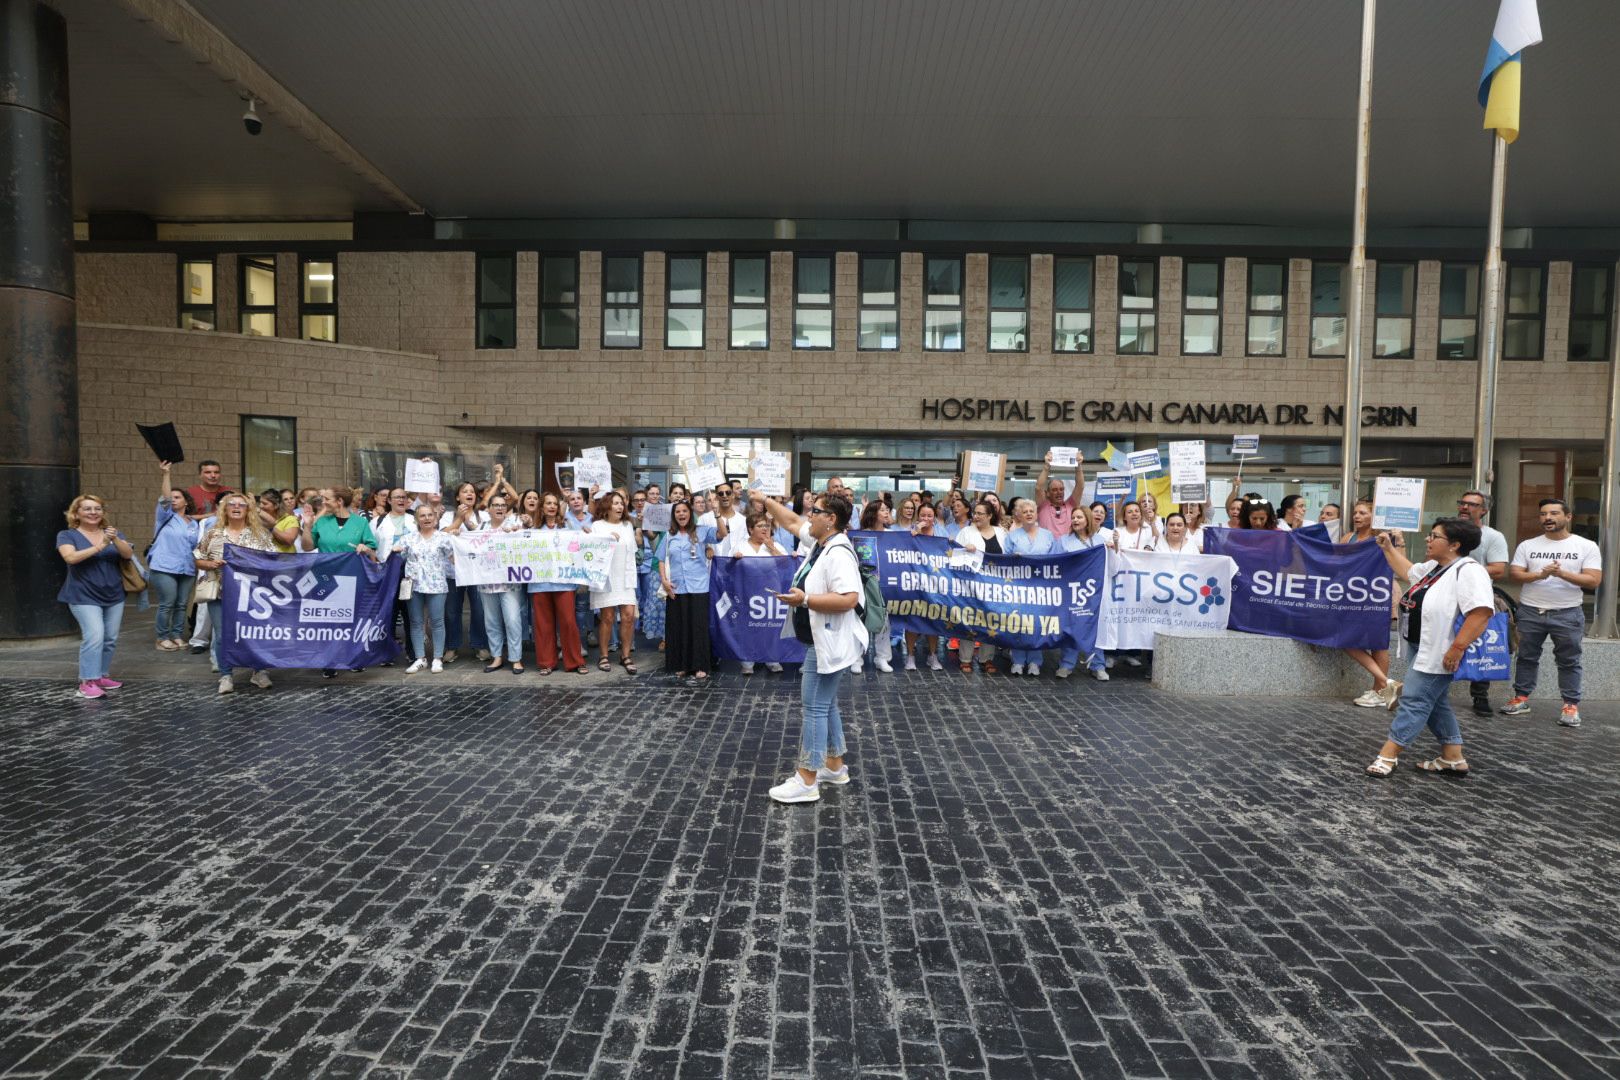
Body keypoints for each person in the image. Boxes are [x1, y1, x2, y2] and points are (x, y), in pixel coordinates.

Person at [759, 492, 868, 804]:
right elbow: (792, 522)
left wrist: (804, 599)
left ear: (830, 519)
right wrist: (766, 502)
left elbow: (847, 598)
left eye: (815, 511)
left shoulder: (838, 554)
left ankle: (807, 778)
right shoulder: (821, 544)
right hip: (820, 640)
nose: (809, 514)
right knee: (826, 704)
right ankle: (834, 766)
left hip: (829, 643)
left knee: (815, 707)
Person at [1365, 520, 1494, 777]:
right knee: (1435, 702)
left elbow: (1480, 613)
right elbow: (1409, 571)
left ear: (1455, 545)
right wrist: (1389, 548)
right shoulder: (1437, 568)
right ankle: (1453, 757)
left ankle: (1388, 756)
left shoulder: (1469, 571)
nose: (1428, 539)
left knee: (1414, 699)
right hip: (1420, 645)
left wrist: (1457, 649)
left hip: (1442, 651)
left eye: (1435, 536)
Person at [1500, 498, 1604, 727]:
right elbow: (1516, 574)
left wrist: (1561, 574)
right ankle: (1521, 698)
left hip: (1567, 613)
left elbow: (1594, 580)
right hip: (1530, 611)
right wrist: (1539, 575)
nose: (1548, 518)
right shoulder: (1528, 545)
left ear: (1568, 517)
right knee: (1526, 656)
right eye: (1544, 514)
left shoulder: (1586, 546)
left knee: (1569, 661)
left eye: (1554, 513)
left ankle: (1570, 706)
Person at [193, 492, 276, 695]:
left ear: (248, 510)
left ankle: (258, 672)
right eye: (232, 504)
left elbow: (273, 559)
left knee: (254, 633)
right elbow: (197, 558)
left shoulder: (260, 534)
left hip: (251, 595)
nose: (237, 507)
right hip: (220, 593)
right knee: (222, 636)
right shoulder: (213, 534)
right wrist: (211, 564)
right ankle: (226, 675)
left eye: (242, 504)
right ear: (225, 509)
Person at [57, 494, 135, 699]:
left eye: (97, 509)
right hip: (83, 594)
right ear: (76, 513)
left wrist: (115, 539)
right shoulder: (67, 535)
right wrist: (101, 545)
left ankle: (100, 675)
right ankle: (87, 682)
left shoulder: (112, 533)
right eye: (87, 509)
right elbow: (70, 558)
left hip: (114, 593)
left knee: (109, 638)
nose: (93, 513)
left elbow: (127, 555)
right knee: (94, 636)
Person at [302, 487, 380, 678]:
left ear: (339, 501)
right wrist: (307, 526)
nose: (323, 502)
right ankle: (329, 659)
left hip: (352, 577)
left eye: (326, 499)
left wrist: (365, 548)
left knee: (351, 619)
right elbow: (307, 546)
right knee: (327, 620)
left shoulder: (360, 523)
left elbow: (372, 549)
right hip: (324, 577)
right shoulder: (321, 522)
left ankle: (353, 657)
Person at [1338, 499, 1397, 708]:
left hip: (1378, 594)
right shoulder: (1348, 537)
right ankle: (1386, 684)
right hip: (1353, 594)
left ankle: (1379, 690)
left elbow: (1399, 564)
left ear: (1374, 517)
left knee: (1378, 643)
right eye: (1355, 512)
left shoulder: (1382, 539)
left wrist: (1400, 542)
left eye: (1362, 513)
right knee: (1345, 638)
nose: (1357, 516)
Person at [660, 501, 720, 685]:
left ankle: (701, 665)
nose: (681, 514)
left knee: (698, 627)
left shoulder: (702, 531)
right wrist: (664, 580)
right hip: (677, 587)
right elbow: (661, 559)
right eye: (677, 511)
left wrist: (717, 515)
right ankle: (683, 664)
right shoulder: (669, 536)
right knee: (680, 627)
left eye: (684, 510)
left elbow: (721, 535)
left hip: (699, 586)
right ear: (674, 515)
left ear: (690, 513)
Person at [148, 462, 203, 651]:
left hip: (187, 567)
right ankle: (162, 637)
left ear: (186, 502)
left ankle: (177, 635)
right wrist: (166, 475)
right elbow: (164, 497)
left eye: (177, 497)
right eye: (171, 497)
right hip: (164, 566)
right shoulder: (166, 516)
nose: (173, 499)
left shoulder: (194, 524)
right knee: (167, 603)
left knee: (181, 604)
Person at [472, 493, 526, 674]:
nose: (499, 508)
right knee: (491, 621)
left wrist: (517, 534)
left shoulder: (514, 526)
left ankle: (516, 658)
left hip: (509, 582)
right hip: (487, 582)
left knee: (512, 619)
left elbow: (525, 545)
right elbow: (470, 547)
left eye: (503, 505)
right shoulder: (481, 527)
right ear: (488, 509)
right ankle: (497, 657)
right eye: (495, 505)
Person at [1004, 497, 1058, 676]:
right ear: (1018, 514)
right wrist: (1013, 559)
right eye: (1024, 511)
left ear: (1036, 514)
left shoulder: (1048, 535)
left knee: (1037, 624)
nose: (1028, 514)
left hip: (1041, 588)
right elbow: (1004, 560)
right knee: (1019, 623)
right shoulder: (1012, 536)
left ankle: (1035, 661)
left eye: (1031, 511)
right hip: (1019, 587)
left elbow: (1056, 560)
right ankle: (1018, 661)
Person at [731, 512, 790, 675]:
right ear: (750, 529)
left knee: (770, 626)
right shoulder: (740, 546)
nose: (765, 529)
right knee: (748, 626)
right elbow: (728, 568)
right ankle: (747, 661)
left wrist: (772, 548)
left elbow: (786, 564)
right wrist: (734, 560)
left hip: (770, 594)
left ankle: (772, 659)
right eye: (760, 526)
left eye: (767, 525)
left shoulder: (775, 545)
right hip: (747, 593)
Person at [590, 490, 640, 674]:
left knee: (628, 616)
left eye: (622, 503)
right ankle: (603, 655)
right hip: (607, 578)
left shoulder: (628, 525)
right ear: (607, 506)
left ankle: (625, 655)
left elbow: (633, 551)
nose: (620, 506)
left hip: (625, 576)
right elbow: (591, 550)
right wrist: (606, 539)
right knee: (608, 618)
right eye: (616, 503)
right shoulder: (598, 526)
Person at [1057, 506, 1110, 680]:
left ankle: (1098, 665)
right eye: (1073, 517)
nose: (1076, 520)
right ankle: (1067, 664)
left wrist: (1112, 549)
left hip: (1094, 592)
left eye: (1079, 517)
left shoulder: (1100, 540)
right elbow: (1055, 564)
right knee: (1071, 626)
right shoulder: (1064, 541)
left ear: (1087, 519)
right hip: (1071, 591)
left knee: (1094, 626)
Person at [954, 499, 1007, 674]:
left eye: (980, 513)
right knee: (970, 619)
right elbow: (954, 556)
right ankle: (966, 658)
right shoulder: (965, 532)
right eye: (974, 513)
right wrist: (964, 549)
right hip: (971, 584)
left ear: (990, 515)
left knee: (990, 620)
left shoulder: (1001, 533)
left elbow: (1008, 556)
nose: (976, 516)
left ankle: (986, 659)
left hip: (995, 585)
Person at [442, 481, 489, 662]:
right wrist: (459, 519)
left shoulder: (483, 515)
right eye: (465, 491)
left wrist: (469, 524)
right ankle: (452, 647)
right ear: (457, 497)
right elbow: (443, 534)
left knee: (479, 609)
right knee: (452, 610)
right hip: (453, 571)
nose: (469, 494)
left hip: (477, 571)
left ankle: (480, 645)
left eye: (472, 492)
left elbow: (486, 536)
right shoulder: (448, 515)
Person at [901, 504, 944, 670]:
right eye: (923, 516)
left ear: (934, 517)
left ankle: (933, 655)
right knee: (912, 618)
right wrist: (916, 530)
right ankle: (910, 655)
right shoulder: (911, 530)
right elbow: (903, 547)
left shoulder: (941, 532)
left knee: (933, 619)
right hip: (914, 581)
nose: (926, 519)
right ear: (918, 517)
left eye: (930, 516)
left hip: (934, 583)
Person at [1034, 451, 1084, 535]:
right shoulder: (1043, 505)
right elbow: (1038, 487)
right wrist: (1047, 466)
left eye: (1061, 489)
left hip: (1068, 546)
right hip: (1048, 547)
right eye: (1054, 490)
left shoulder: (1071, 504)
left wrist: (1078, 465)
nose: (1059, 492)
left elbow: (1080, 486)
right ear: (1048, 493)